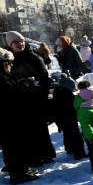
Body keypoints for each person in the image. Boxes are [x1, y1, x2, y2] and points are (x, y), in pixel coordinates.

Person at [6, 31, 56, 167]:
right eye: (16, 42)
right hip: (19, 100)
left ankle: (45, 155)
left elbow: (46, 79)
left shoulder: (34, 57)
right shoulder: (8, 58)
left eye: (21, 40)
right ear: (10, 44)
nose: (20, 44)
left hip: (36, 99)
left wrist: (47, 98)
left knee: (39, 128)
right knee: (26, 131)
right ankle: (32, 156)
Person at [0, 50, 40, 184]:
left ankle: (17, 169)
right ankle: (19, 173)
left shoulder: (5, 77)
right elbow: (11, 96)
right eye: (8, 63)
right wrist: (24, 87)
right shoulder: (2, 79)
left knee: (10, 145)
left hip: (9, 118)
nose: (10, 65)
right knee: (15, 145)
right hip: (9, 119)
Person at [51, 74, 86, 160]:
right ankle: (79, 154)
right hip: (69, 118)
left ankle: (69, 149)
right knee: (76, 136)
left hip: (62, 120)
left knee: (67, 134)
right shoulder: (67, 94)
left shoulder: (57, 94)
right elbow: (73, 107)